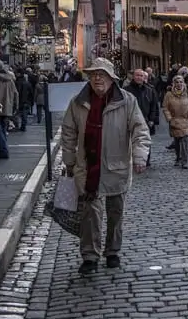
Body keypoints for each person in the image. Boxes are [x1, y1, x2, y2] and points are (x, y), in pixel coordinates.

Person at [60, 58, 151, 275]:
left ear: (111, 79)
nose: (97, 78)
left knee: (115, 212)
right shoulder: (78, 102)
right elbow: (68, 132)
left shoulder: (126, 101)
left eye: (102, 75)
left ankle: (112, 251)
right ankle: (90, 256)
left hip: (116, 166)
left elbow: (140, 130)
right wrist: (69, 160)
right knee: (90, 214)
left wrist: (140, 156)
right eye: (94, 75)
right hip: (87, 167)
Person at [123, 69, 159, 167]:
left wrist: (152, 119)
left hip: (145, 120)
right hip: (130, 119)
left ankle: (145, 160)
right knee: (130, 140)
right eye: (137, 75)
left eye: (141, 76)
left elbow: (154, 106)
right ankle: (131, 159)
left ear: (144, 78)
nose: (139, 77)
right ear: (133, 77)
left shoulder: (149, 90)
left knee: (145, 140)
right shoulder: (126, 90)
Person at [162, 74, 188, 169]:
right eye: (177, 82)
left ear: (184, 82)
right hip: (175, 121)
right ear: (173, 83)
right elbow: (165, 107)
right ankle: (178, 157)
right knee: (177, 141)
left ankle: (185, 161)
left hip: (186, 120)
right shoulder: (169, 94)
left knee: (185, 141)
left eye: (181, 82)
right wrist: (169, 118)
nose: (179, 84)